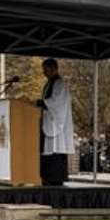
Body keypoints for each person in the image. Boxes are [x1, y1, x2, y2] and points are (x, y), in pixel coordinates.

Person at [35, 58, 74, 186]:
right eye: (44, 70)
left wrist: (42, 103)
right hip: (48, 121)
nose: (45, 73)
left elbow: (58, 104)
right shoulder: (49, 84)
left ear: (54, 69)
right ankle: (47, 177)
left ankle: (55, 178)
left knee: (55, 151)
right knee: (47, 151)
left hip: (57, 125)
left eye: (47, 70)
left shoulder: (60, 84)